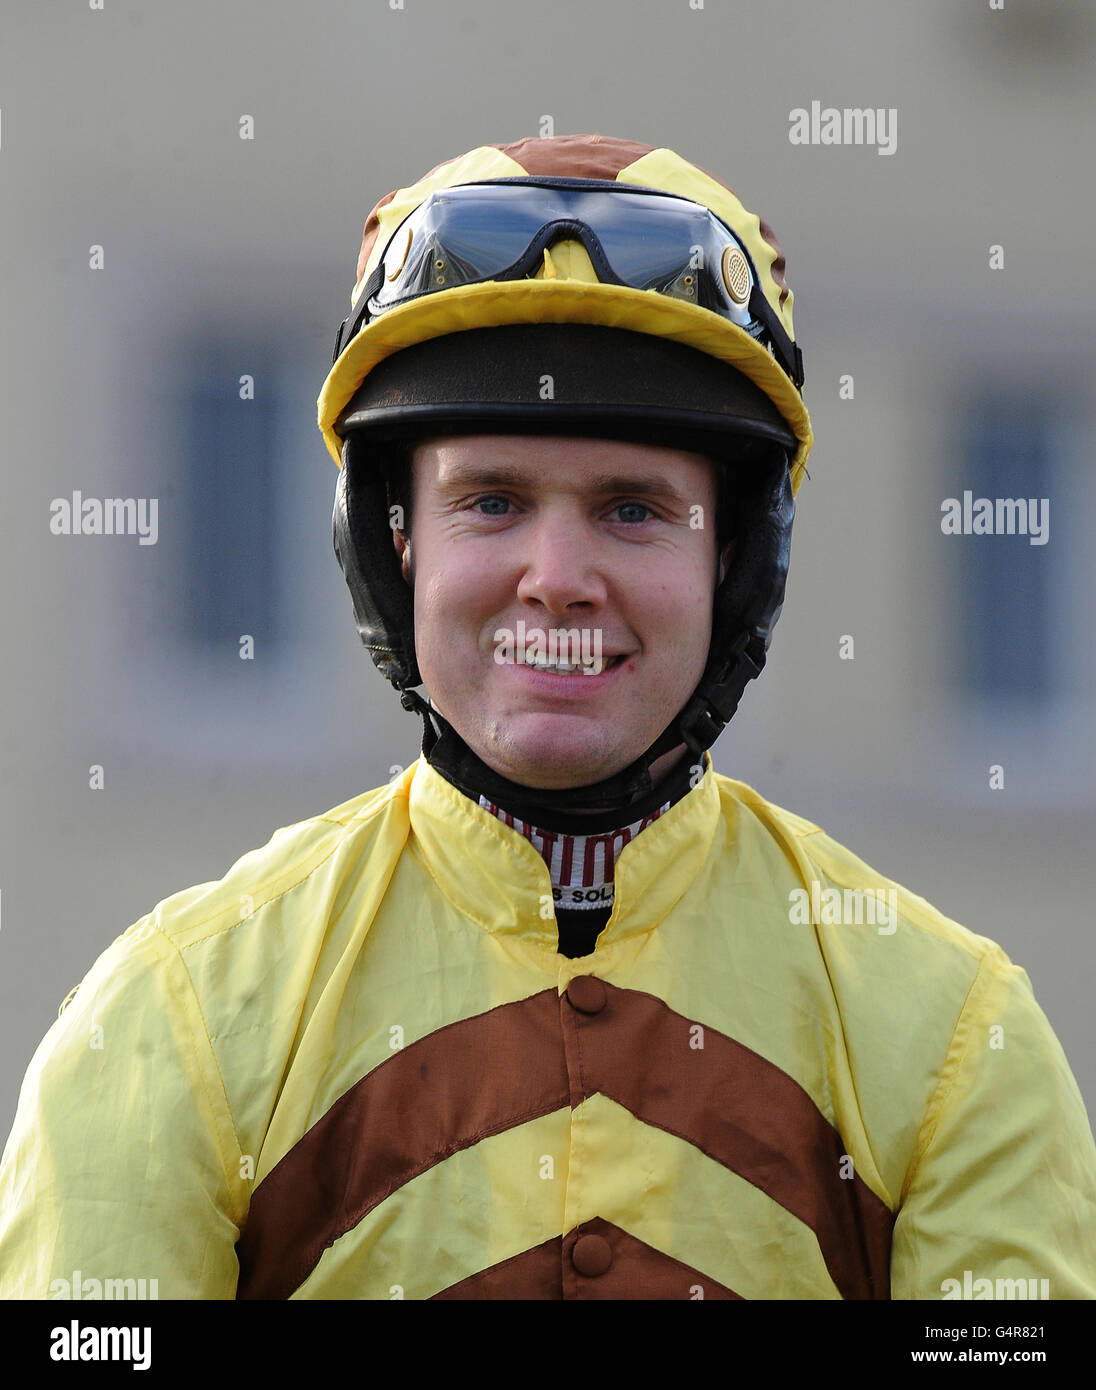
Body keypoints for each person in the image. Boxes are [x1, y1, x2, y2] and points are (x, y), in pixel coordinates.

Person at [1, 133, 1093, 1301]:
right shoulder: (170, 1018)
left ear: (733, 558)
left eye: (632, 509)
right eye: (492, 501)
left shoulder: (954, 1040)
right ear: (393, 543)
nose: (557, 575)